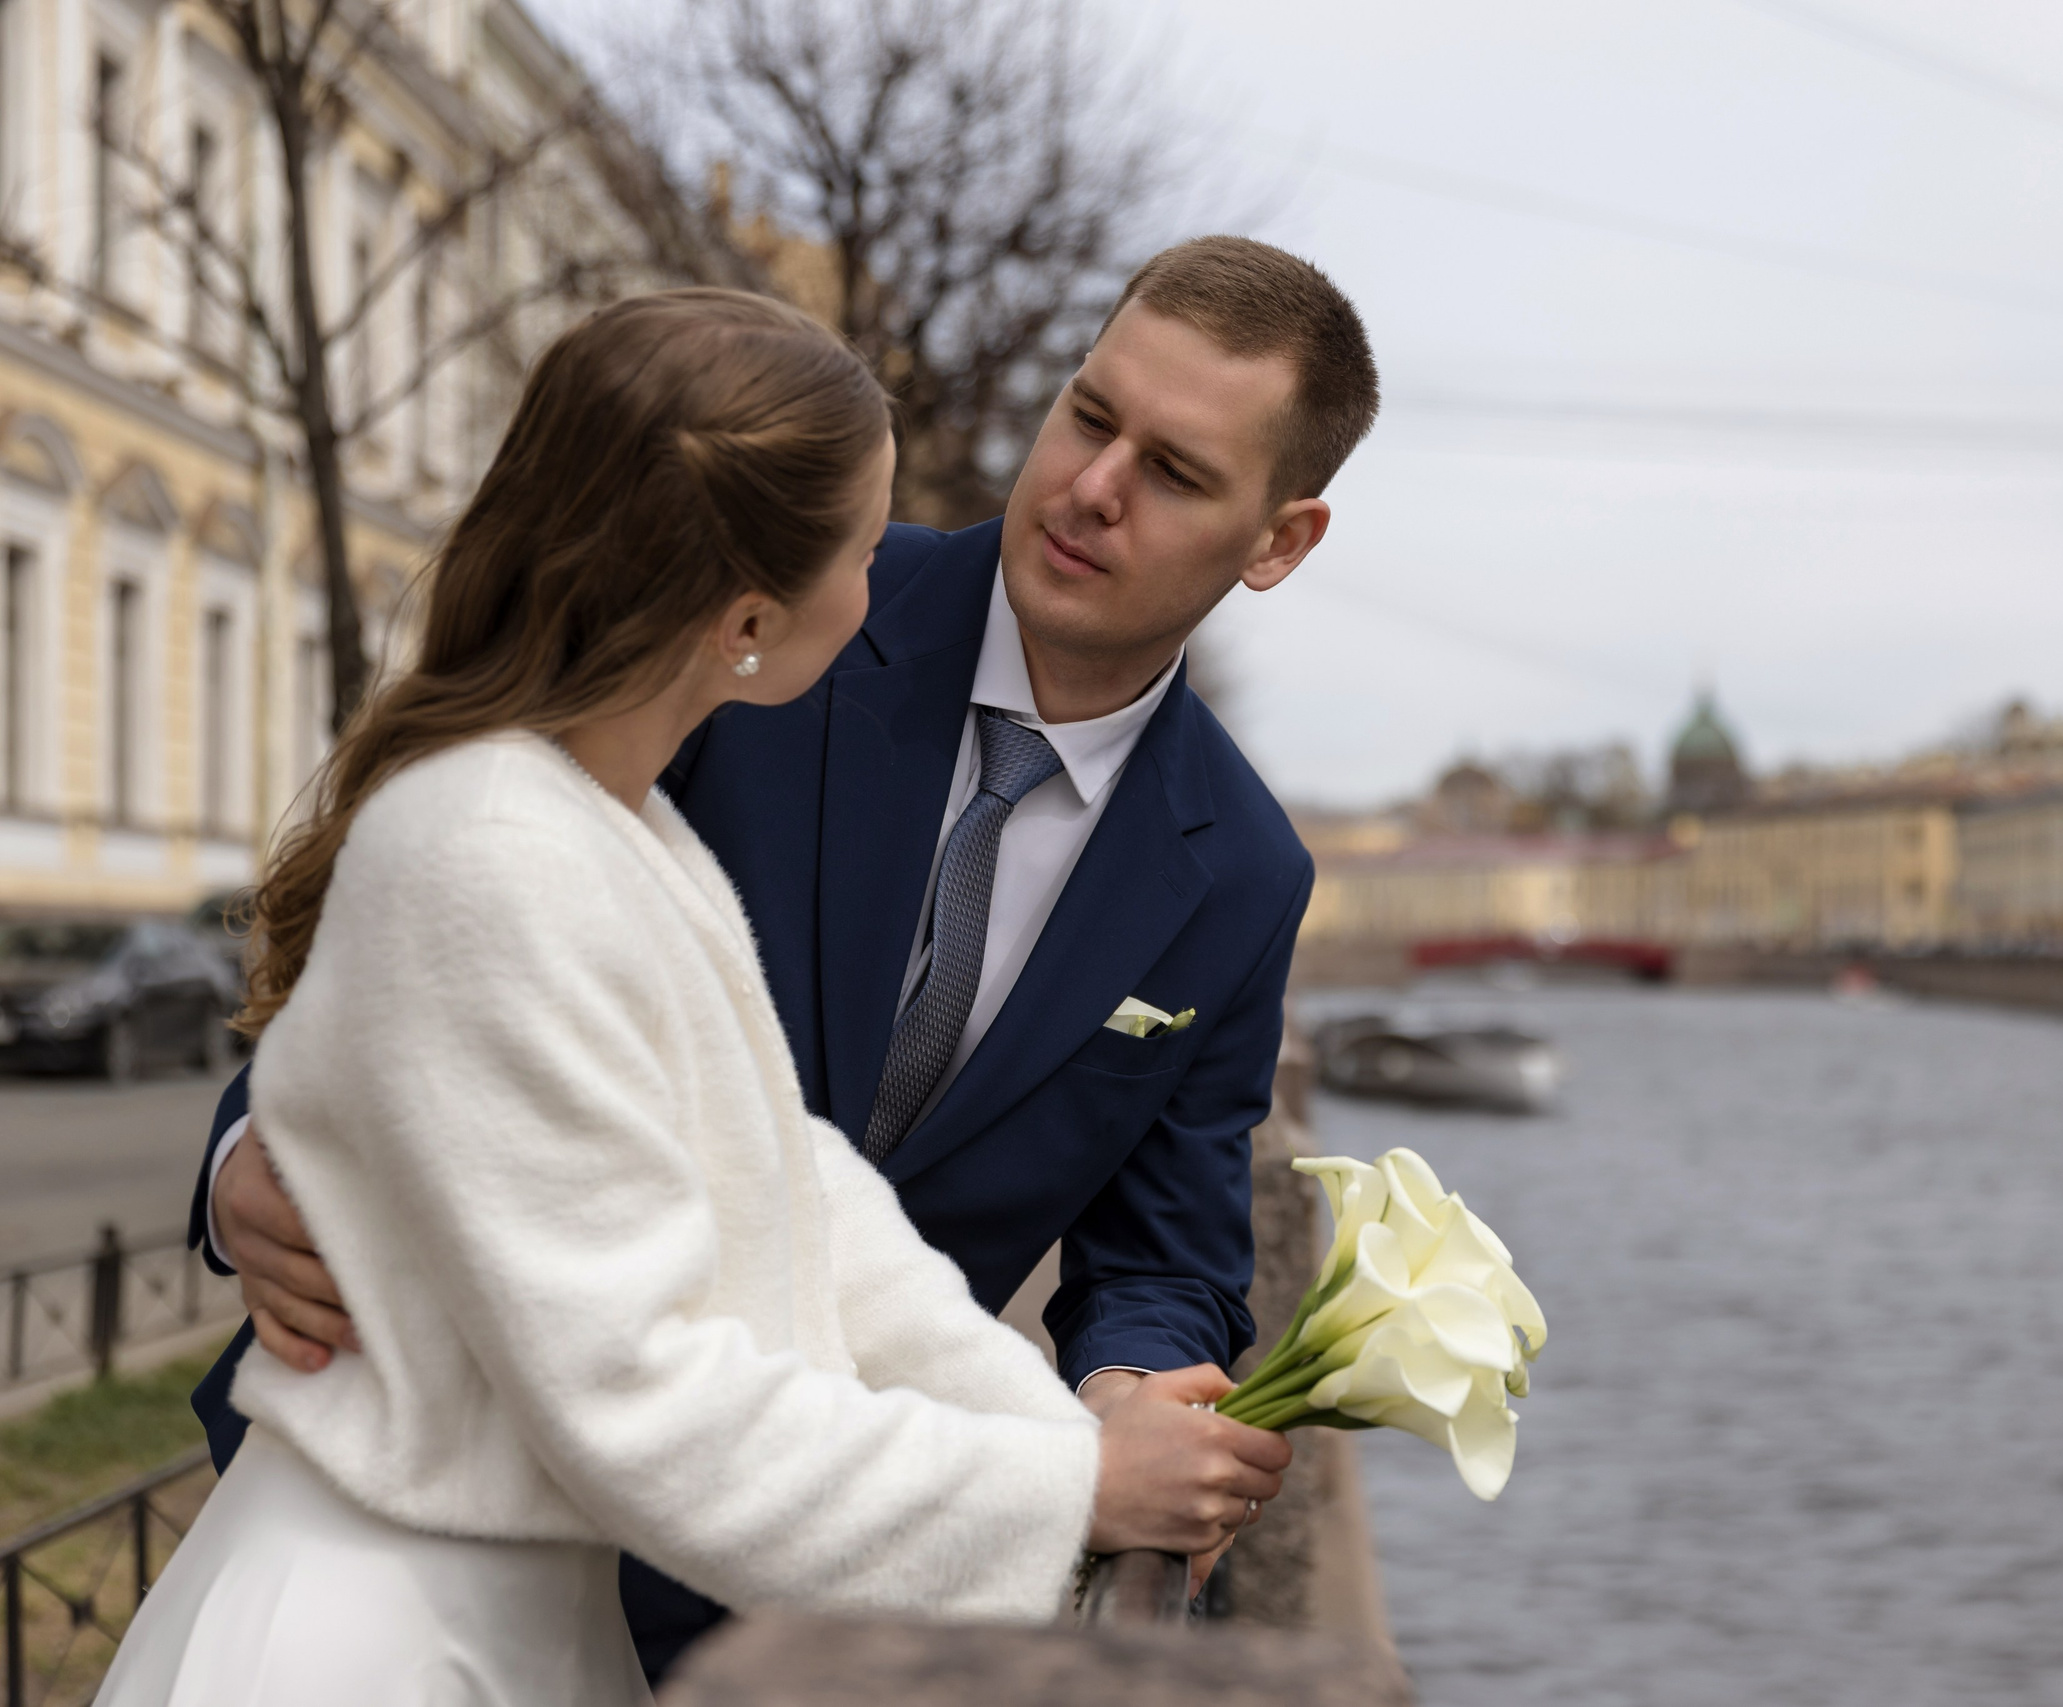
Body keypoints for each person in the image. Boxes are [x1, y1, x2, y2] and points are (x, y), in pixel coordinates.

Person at [188, 234, 1382, 1677]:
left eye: (1177, 473)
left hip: (822, 1581)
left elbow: (1155, 1252)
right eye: (1086, 413)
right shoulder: (758, 605)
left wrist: (1118, 1402)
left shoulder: (1243, 874)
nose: (1089, 489)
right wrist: (263, 1148)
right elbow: (425, 919)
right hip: (445, 1508)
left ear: (1279, 541)